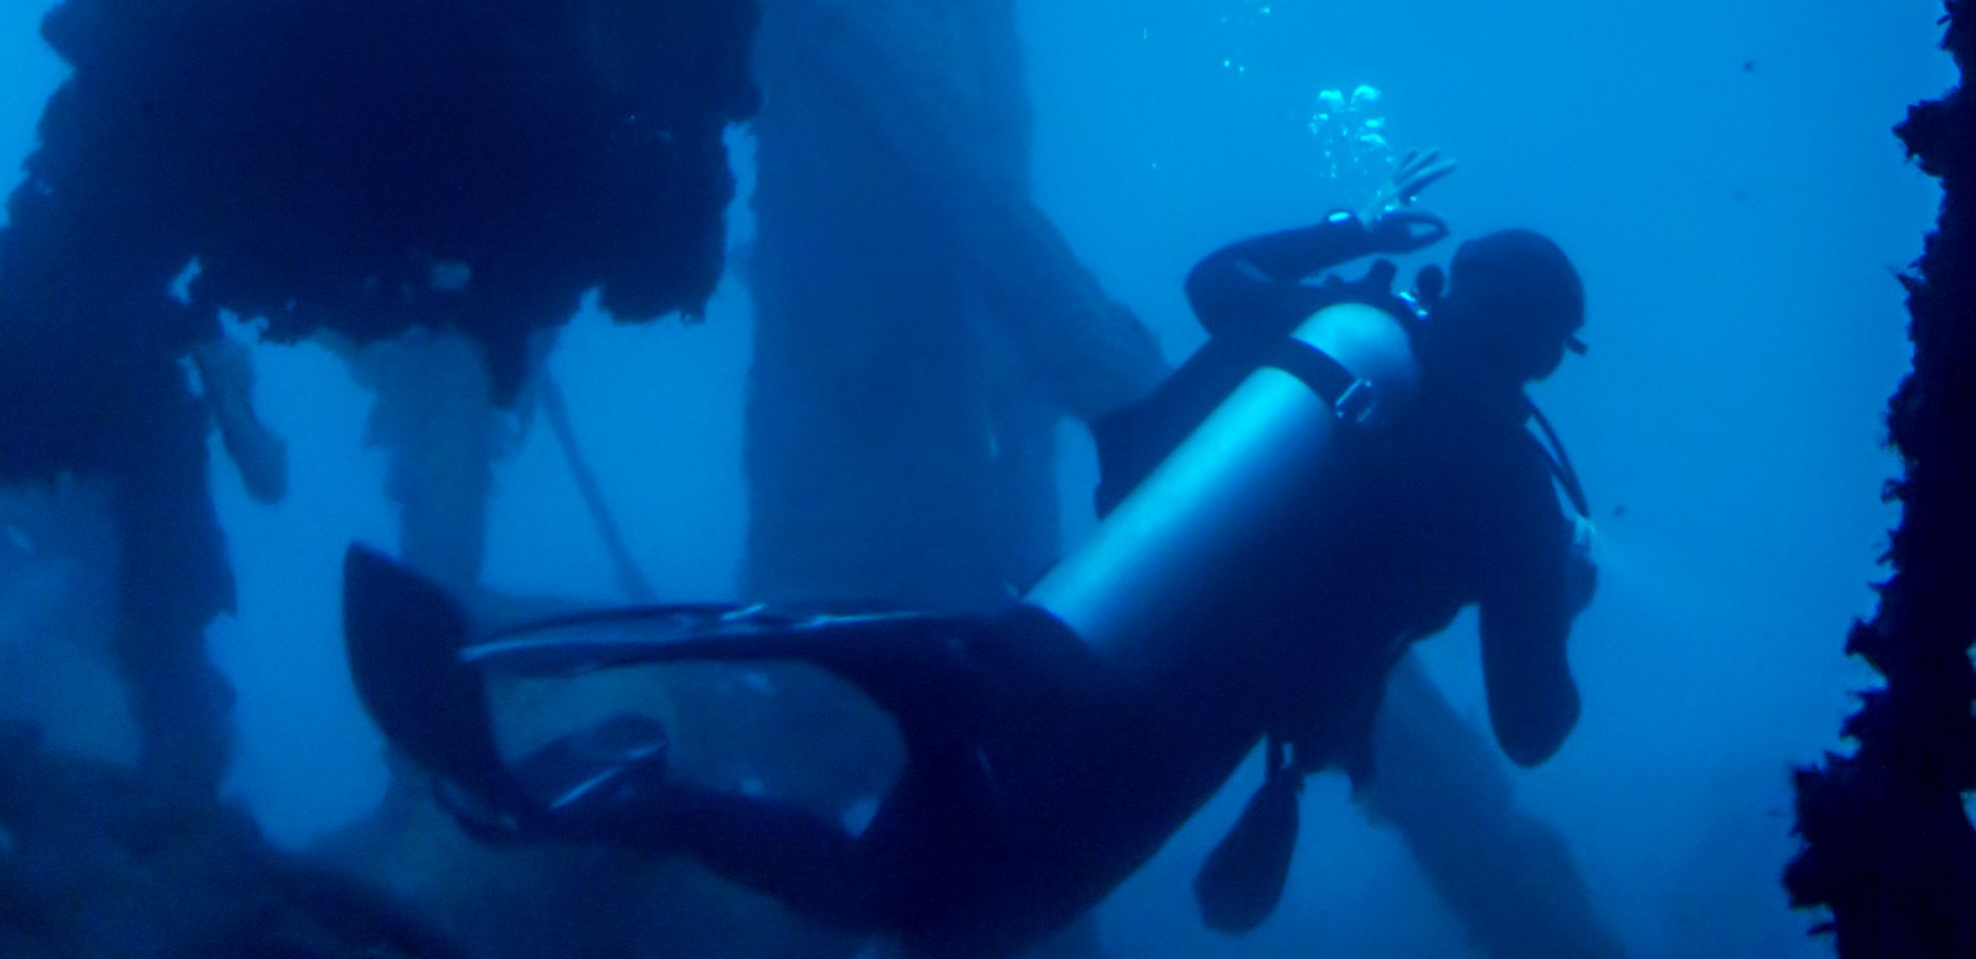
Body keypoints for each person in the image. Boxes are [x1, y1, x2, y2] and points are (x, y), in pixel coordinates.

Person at [342, 206, 1594, 957]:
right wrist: (1562, 601)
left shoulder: (1339, 337)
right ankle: (797, 742)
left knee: (892, 878)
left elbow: (1216, 280)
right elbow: (1535, 731)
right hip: (1177, 725)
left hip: (1079, 613)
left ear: (1452, 282)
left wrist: (1359, 230)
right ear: (1545, 351)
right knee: (936, 922)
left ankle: (853, 711)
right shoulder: (1516, 494)